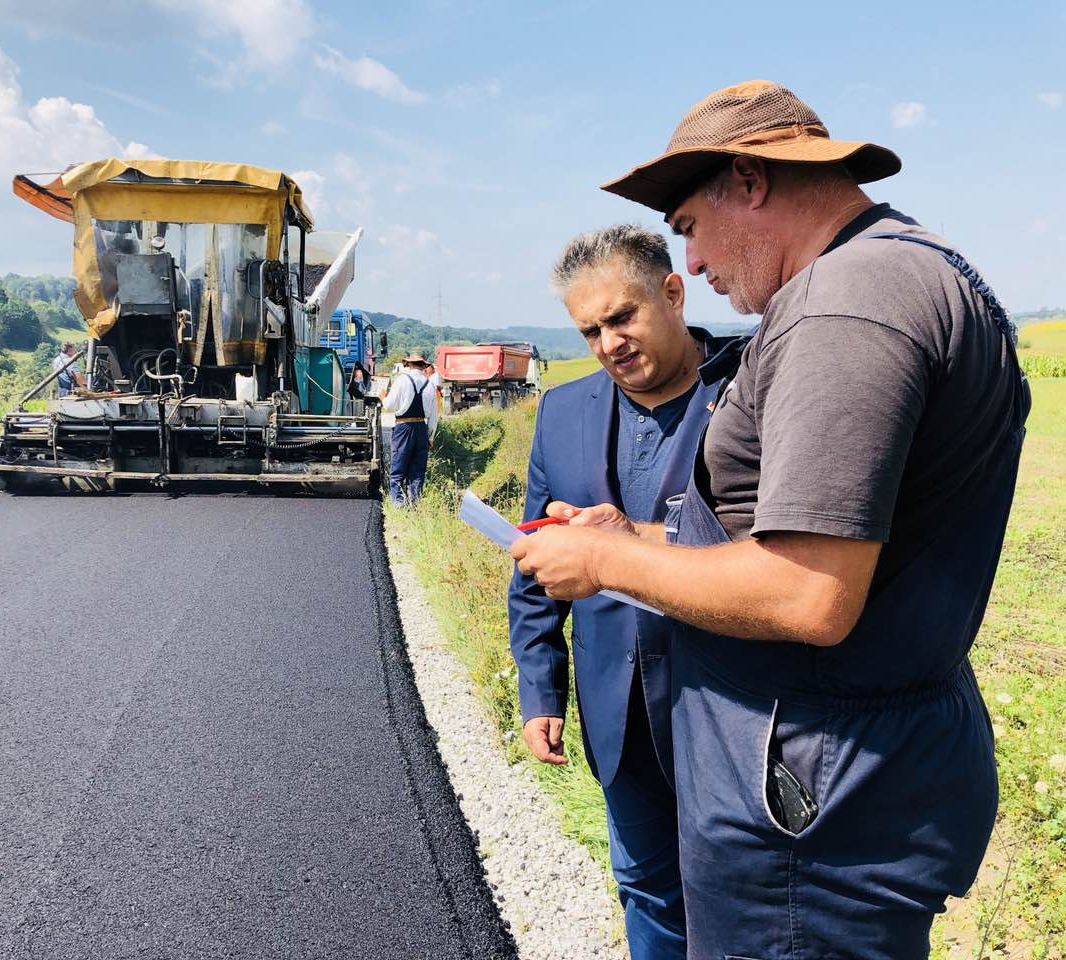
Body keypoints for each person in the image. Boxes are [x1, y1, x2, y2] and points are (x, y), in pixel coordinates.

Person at [510, 80, 1029, 960]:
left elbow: (804, 592)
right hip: (841, 774)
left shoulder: (844, 310)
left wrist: (602, 568)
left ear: (749, 181)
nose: (697, 262)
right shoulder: (914, 269)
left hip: (810, 797)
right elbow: (787, 539)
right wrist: (623, 536)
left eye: (689, 227)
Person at [509, 225, 747, 959]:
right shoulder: (563, 411)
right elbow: (533, 565)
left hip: (733, 711)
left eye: (622, 317)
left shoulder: (750, 392)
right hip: (618, 712)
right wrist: (541, 690)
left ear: (672, 293)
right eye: (590, 330)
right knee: (645, 888)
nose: (609, 342)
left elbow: (781, 555)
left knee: (742, 904)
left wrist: (626, 543)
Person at [381, 352, 437, 505]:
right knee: (418, 470)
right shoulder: (429, 384)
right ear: (423, 366)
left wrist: (382, 397)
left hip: (403, 427)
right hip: (421, 428)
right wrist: (430, 437)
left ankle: (399, 504)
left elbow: (389, 406)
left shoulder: (402, 380)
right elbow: (433, 416)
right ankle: (415, 502)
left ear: (409, 364)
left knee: (398, 466)